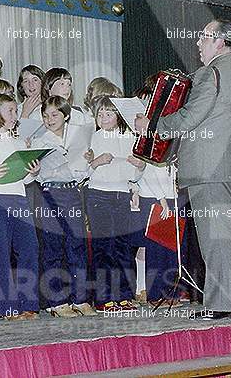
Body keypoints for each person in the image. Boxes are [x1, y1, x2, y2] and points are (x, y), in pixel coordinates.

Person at [135, 18, 231, 319]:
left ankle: (222, 305)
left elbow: (190, 117)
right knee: (228, 237)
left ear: (218, 41)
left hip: (210, 169)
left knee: (216, 240)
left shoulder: (211, 72)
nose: (197, 44)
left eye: (202, 38)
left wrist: (150, 126)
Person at [0, 93, 41, 320]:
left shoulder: (19, 142)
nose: (15, 115)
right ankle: (8, 306)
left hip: (19, 198)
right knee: (1, 254)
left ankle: (29, 304)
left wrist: (32, 173)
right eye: (10, 111)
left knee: (29, 249)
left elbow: (23, 180)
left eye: (16, 110)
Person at [32, 96, 96, 317]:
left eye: (55, 114)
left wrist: (88, 160)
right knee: (53, 247)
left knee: (77, 245)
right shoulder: (39, 141)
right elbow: (35, 174)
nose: (49, 119)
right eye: (46, 115)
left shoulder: (77, 139)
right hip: (50, 193)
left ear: (66, 115)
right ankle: (57, 301)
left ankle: (80, 298)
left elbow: (82, 173)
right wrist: (34, 169)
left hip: (72, 191)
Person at [89, 96, 143, 312]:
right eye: (100, 114)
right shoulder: (93, 137)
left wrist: (139, 166)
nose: (103, 118)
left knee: (122, 246)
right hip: (99, 194)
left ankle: (125, 295)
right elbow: (83, 169)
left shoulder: (129, 137)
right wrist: (96, 161)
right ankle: (104, 298)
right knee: (104, 246)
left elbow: (135, 175)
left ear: (118, 115)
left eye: (108, 114)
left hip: (121, 194)